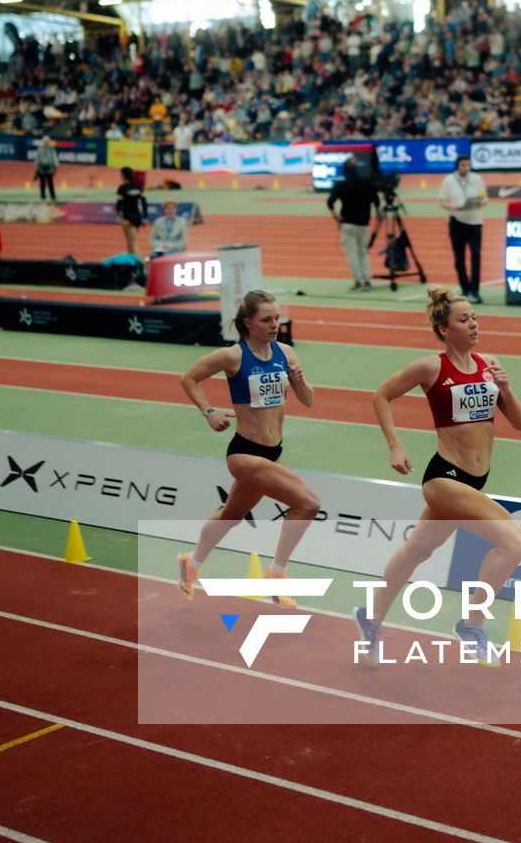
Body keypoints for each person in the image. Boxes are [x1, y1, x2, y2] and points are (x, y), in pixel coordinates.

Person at [359, 288, 521, 666]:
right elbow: (381, 395)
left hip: (474, 480)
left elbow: (519, 423)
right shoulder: (430, 368)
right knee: (515, 543)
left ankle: (370, 617)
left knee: (418, 550)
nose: (474, 325)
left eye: (475, 318)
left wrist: (506, 387)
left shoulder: (489, 364)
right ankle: (471, 625)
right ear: (444, 329)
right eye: (463, 320)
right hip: (444, 478)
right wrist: (395, 446)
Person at [176, 288, 318, 606]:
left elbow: (308, 401)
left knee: (232, 514)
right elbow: (188, 379)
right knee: (308, 504)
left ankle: (191, 563)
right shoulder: (233, 356)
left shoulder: (286, 353)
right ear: (248, 323)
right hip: (244, 452)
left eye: (277, 318)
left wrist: (299, 380)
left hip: (273, 452)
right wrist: (209, 412)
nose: (274, 324)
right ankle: (276, 575)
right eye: (266, 320)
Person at [326, 153, 380, 291]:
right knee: (363, 253)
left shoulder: (341, 184)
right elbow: (376, 200)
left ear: (345, 170)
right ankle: (367, 281)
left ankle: (357, 281)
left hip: (348, 223)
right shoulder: (367, 182)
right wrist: (378, 213)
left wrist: (336, 217)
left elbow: (330, 202)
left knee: (352, 254)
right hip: (364, 223)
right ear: (357, 169)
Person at [438, 154, 487, 303]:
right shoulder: (448, 180)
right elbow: (441, 201)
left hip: (475, 222)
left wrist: (480, 203)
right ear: (457, 166)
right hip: (457, 223)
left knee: (476, 256)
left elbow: (485, 198)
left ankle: (475, 291)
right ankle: (465, 288)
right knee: (459, 258)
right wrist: (452, 206)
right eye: (463, 165)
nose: (466, 168)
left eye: (468, 165)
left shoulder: (477, 179)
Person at [115, 167, 148, 277]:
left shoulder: (122, 188)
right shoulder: (138, 187)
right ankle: (131, 266)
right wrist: (145, 217)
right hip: (137, 217)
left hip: (128, 218)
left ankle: (139, 268)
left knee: (132, 243)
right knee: (131, 243)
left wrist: (120, 214)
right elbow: (144, 203)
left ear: (123, 175)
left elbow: (119, 205)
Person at [33, 135, 59, 201]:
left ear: (49, 142)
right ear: (43, 142)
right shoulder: (39, 149)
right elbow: (37, 158)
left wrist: (55, 165)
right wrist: (37, 166)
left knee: (50, 182)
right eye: (45, 141)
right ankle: (43, 196)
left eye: (47, 141)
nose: (46, 142)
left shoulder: (51, 149)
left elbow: (54, 157)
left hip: (50, 167)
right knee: (42, 183)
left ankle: (53, 196)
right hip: (41, 167)